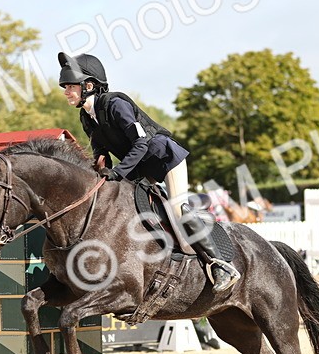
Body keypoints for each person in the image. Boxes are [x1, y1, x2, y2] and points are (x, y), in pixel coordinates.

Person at [57, 51, 241, 292]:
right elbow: (100, 152)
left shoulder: (116, 104)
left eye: (70, 86)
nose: (65, 92)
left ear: (88, 85)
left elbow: (141, 142)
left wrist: (119, 173)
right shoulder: (86, 117)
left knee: (178, 208)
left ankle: (220, 265)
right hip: (139, 167)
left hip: (164, 159)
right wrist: (100, 174)